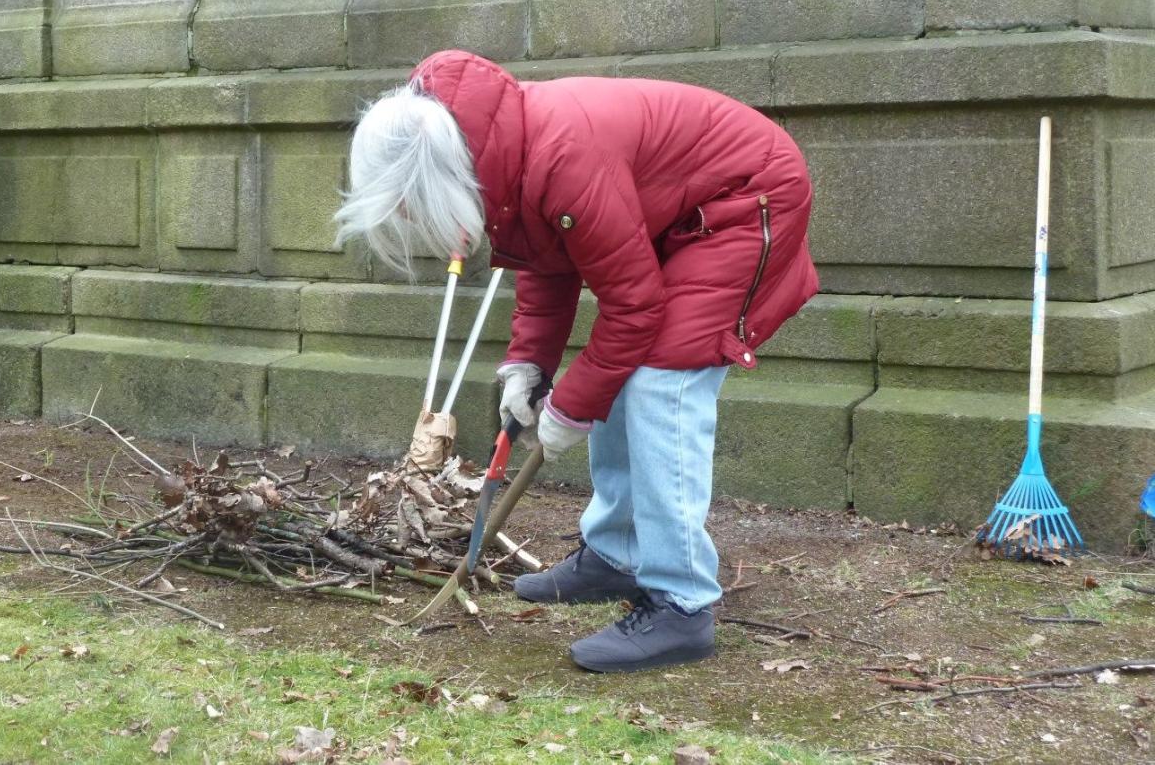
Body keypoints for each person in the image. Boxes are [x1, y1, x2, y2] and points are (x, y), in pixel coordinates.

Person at [334, 50, 818, 672]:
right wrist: (528, 364)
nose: (408, 217)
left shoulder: (560, 155)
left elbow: (635, 309)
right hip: (682, 214)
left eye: (408, 203)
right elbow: (546, 262)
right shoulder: (496, 152)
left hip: (745, 202)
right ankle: (616, 554)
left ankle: (682, 604)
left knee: (658, 383)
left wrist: (571, 406)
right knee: (623, 375)